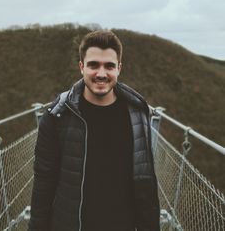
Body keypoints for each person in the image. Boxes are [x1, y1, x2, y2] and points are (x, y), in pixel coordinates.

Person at [28, 30, 160, 231]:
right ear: (81, 67)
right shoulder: (57, 116)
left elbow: (145, 181)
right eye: (93, 65)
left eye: (109, 66)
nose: (101, 73)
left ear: (119, 68)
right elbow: (44, 181)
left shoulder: (138, 114)